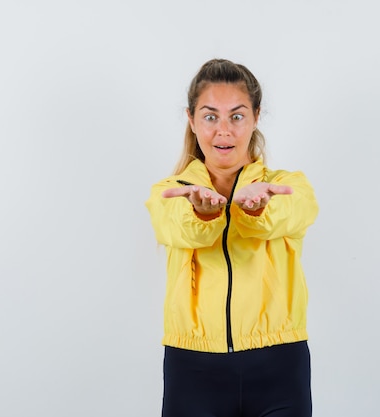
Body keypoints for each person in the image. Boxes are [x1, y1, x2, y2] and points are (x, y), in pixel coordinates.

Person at [146, 58, 319, 417]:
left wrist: (256, 210)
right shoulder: (168, 192)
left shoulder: (288, 186)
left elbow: (290, 215)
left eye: (237, 116)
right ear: (191, 120)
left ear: (256, 117)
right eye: (210, 116)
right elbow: (175, 227)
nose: (223, 130)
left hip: (280, 365)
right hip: (192, 368)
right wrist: (203, 214)